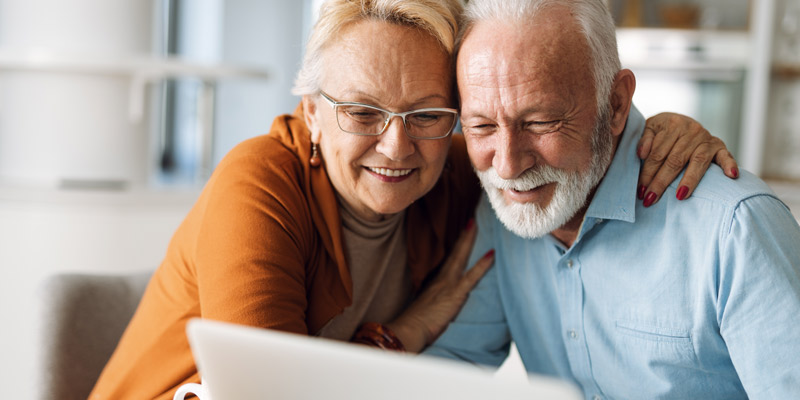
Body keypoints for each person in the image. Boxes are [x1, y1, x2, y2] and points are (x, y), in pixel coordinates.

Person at [89, 1, 739, 399]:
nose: (397, 146)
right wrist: (403, 335)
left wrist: (656, 129)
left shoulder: (457, 171)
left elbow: (544, 138)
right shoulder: (259, 185)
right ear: (311, 112)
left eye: (429, 113)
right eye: (363, 112)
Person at [424, 0, 800, 398]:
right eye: (481, 126)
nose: (507, 166)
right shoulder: (508, 211)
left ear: (616, 103)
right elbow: (445, 372)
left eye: (540, 122)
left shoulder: (734, 229)